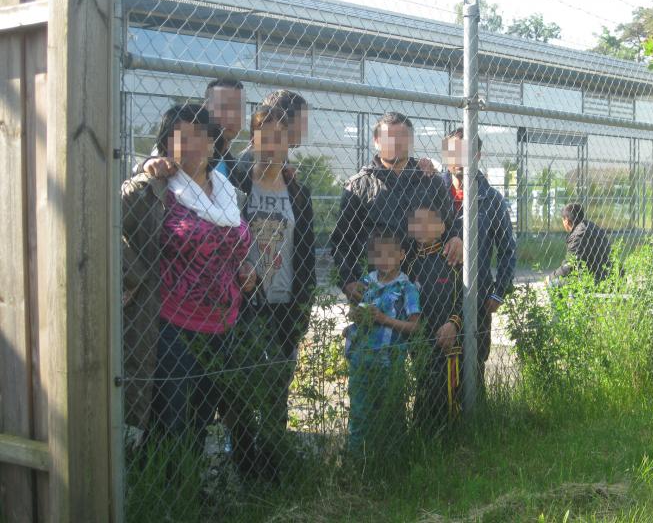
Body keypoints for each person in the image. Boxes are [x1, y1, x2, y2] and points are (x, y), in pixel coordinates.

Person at [121, 104, 256, 469]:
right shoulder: (158, 188)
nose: (193, 143)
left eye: (201, 134)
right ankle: (165, 498)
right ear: (166, 144)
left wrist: (244, 267)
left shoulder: (227, 192)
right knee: (171, 425)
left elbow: (231, 246)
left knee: (199, 422)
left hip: (224, 325)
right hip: (173, 328)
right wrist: (143, 174)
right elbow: (114, 219)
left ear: (213, 143)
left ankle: (188, 493)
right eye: (181, 136)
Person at [230, 101, 317, 478]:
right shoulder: (235, 180)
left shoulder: (298, 191)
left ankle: (271, 466)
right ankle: (245, 467)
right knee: (238, 391)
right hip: (243, 304)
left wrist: (301, 310)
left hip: (283, 304)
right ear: (254, 138)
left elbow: (307, 255)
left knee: (276, 391)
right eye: (264, 135)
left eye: (280, 136)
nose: (272, 143)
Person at [331, 112, 462, 306]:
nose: (394, 143)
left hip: (427, 287)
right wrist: (348, 280)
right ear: (376, 141)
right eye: (388, 137)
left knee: (426, 335)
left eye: (401, 137)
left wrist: (456, 238)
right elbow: (342, 241)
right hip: (377, 291)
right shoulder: (359, 186)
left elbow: (449, 227)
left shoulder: (431, 182)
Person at [440, 128, 516, 394]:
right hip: (436, 293)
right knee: (435, 365)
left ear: (478, 154)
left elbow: (507, 249)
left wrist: (498, 292)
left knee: (475, 363)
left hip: (478, 295)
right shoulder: (431, 191)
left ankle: (474, 423)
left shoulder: (491, 200)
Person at [343, 228, 421, 457]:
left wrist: (384, 319)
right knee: (359, 412)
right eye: (378, 255)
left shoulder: (407, 288)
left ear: (401, 255)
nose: (384, 261)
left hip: (389, 362)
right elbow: (354, 312)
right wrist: (355, 318)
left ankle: (390, 461)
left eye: (390, 254)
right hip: (361, 359)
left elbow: (415, 326)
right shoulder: (366, 283)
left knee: (391, 413)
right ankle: (357, 461)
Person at [406, 197, 463, 433]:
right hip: (420, 344)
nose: (421, 228)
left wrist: (453, 324)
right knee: (424, 391)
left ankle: (452, 440)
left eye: (427, 222)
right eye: (416, 222)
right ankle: (423, 437)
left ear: (441, 227)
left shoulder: (452, 259)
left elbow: (465, 299)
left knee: (448, 395)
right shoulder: (408, 267)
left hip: (450, 343)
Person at [141, 78, 246, 179]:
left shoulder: (234, 167)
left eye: (237, 108)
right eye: (224, 107)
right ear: (206, 108)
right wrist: (145, 166)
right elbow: (152, 167)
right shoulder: (178, 148)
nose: (231, 116)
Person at [550, 203, 611, 285]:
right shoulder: (594, 227)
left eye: (563, 220)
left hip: (591, 280)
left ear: (567, 221)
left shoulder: (578, 236)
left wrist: (551, 277)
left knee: (552, 283)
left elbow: (569, 265)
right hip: (607, 276)